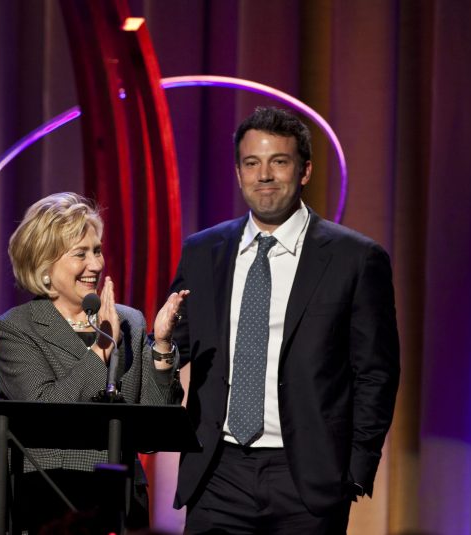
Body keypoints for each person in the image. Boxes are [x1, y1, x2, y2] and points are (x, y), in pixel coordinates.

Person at [169, 107, 400, 534]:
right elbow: (173, 348)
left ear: (305, 171)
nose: (265, 176)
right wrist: (155, 345)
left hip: (308, 479)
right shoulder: (203, 251)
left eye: (279, 161)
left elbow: (376, 373)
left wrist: (355, 469)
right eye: (252, 163)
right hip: (218, 472)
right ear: (238, 174)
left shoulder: (355, 259)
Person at [0, 192, 188, 534]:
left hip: (120, 499)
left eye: (97, 251)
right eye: (80, 254)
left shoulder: (130, 321)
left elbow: (154, 433)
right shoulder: (16, 328)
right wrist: (101, 351)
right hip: (44, 497)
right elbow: (46, 410)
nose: (95, 265)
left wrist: (163, 346)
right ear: (44, 266)